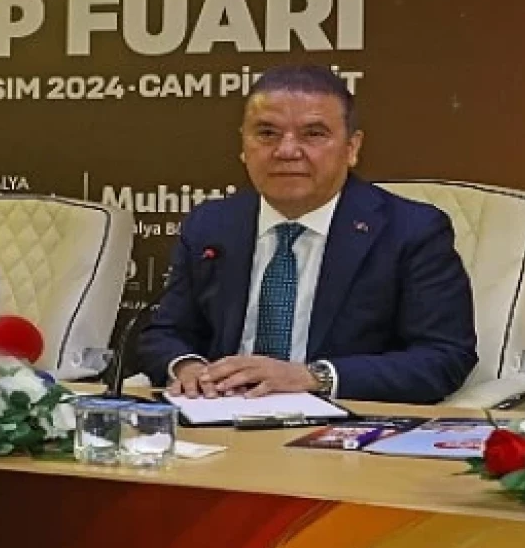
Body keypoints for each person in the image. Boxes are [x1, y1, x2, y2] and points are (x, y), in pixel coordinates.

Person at [138, 65, 477, 404]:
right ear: (243, 145)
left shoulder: (411, 231)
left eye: (313, 134)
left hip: (342, 421)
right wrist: (188, 368)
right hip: (218, 415)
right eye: (267, 133)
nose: (286, 151)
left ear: (352, 148)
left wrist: (312, 377)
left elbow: (444, 356)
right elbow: (165, 332)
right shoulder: (211, 224)